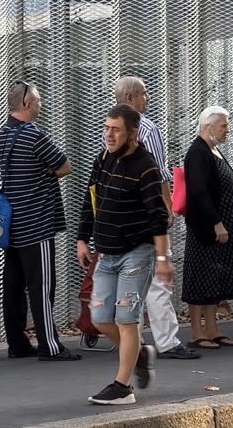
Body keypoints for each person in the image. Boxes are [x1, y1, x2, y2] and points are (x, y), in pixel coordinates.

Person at [78, 104, 171, 406]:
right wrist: (82, 238)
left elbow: (158, 216)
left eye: (115, 129)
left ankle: (123, 386)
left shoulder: (145, 165)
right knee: (101, 318)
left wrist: (162, 259)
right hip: (107, 253)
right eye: (106, 128)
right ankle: (141, 354)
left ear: (133, 133)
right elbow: (91, 199)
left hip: (137, 253)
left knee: (126, 320)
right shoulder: (103, 159)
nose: (108, 134)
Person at [110, 77, 198, 360]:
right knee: (159, 278)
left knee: (129, 280)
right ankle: (167, 341)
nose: (147, 98)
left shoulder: (110, 128)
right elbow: (160, 172)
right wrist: (167, 205)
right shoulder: (145, 127)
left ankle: (130, 342)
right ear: (133, 97)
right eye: (144, 94)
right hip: (147, 210)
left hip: (121, 214)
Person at [0, 81, 80, 361]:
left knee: (13, 285)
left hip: (13, 223)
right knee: (42, 286)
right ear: (26, 104)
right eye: (38, 99)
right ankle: (50, 346)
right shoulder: (35, 136)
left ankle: (17, 343)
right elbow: (64, 166)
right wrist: (45, 171)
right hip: (37, 221)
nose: (41, 103)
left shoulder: (3, 134)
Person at [180, 106, 233, 349]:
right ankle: (197, 331)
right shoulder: (198, 152)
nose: (227, 130)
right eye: (224, 126)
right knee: (200, 278)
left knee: (213, 280)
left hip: (221, 227)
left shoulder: (213, 149)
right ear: (208, 126)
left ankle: (212, 328)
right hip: (207, 228)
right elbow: (199, 191)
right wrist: (216, 222)